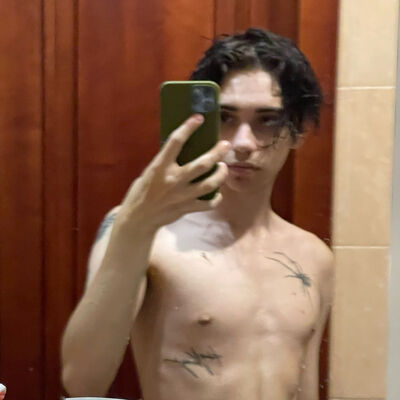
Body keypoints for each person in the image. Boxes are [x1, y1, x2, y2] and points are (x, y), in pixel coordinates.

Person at [61, 28, 333, 400]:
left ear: (298, 131)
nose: (243, 143)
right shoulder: (148, 233)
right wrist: (136, 226)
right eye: (225, 117)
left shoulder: (314, 257)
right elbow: (82, 380)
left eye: (267, 120)